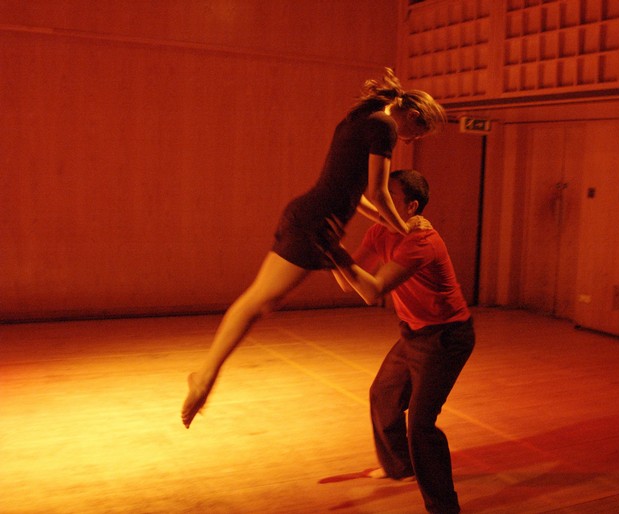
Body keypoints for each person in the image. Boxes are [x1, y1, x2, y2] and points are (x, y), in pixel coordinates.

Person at [182, 69, 446, 429]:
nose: (412, 141)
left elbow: (353, 195)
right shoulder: (384, 127)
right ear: (413, 115)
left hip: (309, 214)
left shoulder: (365, 117)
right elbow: (379, 193)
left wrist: (389, 225)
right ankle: (205, 375)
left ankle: (206, 372)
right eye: (417, 133)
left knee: (264, 301)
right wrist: (405, 230)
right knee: (258, 302)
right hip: (315, 223)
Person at [324, 169, 474, 514]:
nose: (379, 201)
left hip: (446, 338)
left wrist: (331, 247)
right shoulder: (381, 231)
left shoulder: (422, 242)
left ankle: (444, 508)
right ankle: (400, 467)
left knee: (420, 426)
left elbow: (372, 290)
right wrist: (331, 251)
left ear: (411, 206)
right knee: (383, 395)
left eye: (388, 196)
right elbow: (348, 282)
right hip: (413, 333)